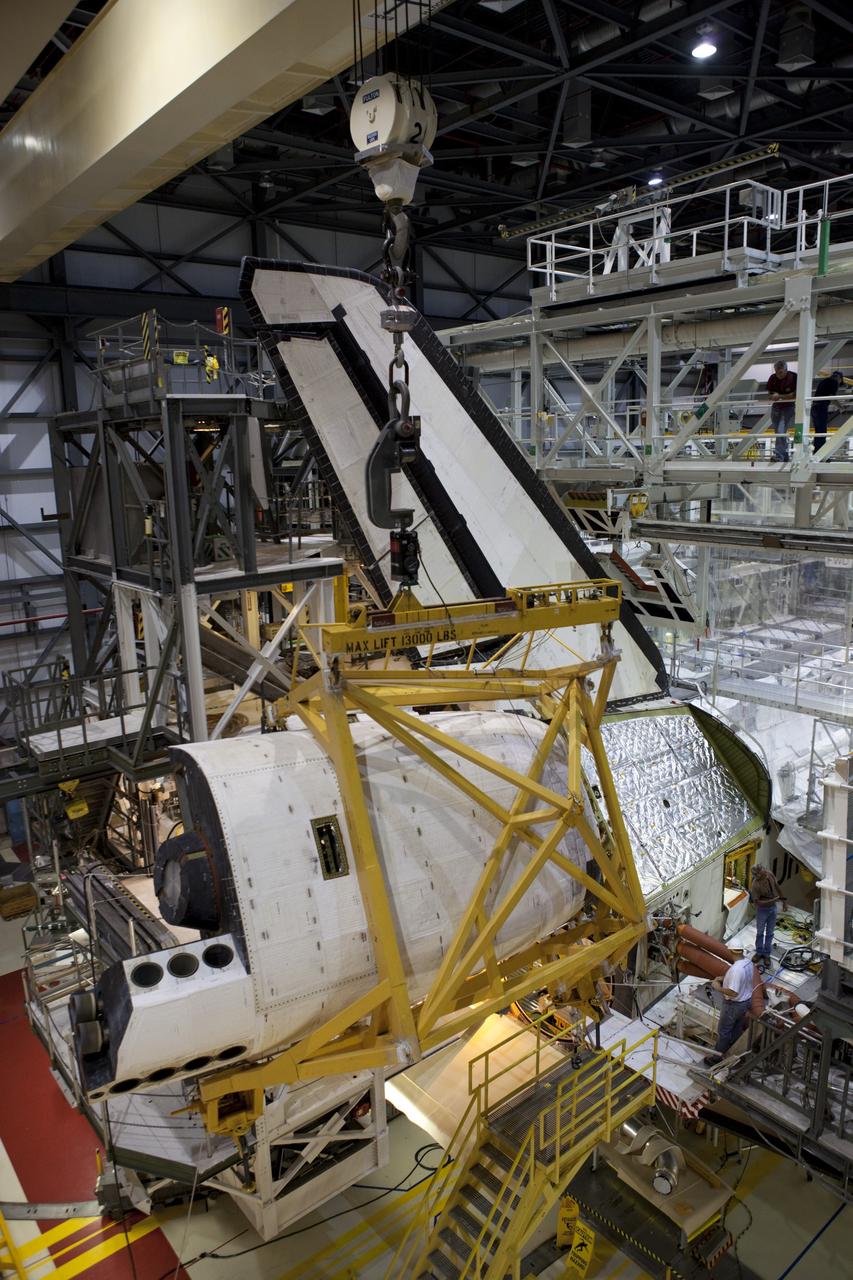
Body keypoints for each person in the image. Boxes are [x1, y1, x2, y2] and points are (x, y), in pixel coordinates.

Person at [703, 953, 762, 1065]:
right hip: (745, 1002)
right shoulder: (748, 963)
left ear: (732, 951)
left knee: (724, 1031)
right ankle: (734, 1049)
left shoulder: (736, 970)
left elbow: (733, 992)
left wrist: (718, 987)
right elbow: (742, 979)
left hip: (733, 1005)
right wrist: (725, 979)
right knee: (737, 1027)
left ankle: (717, 1057)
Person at [751, 864, 785, 965]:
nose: (765, 873)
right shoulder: (755, 885)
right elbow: (757, 902)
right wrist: (772, 900)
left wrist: (784, 901)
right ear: (758, 876)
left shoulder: (769, 874)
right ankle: (759, 952)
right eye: (762, 873)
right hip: (762, 910)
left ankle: (766, 954)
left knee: (770, 933)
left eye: (764, 870)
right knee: (760, 932)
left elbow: (777, 887)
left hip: (773, 909)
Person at [766, 360, 797, 461]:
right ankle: (785, 456)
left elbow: (794, 395)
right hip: (776, 407)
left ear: (786, 370)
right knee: (779, 432)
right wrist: (773, 397)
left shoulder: (793, 377)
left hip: (789, 407)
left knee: (780, 431)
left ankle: (779, 456)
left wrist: (779, 396)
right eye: (776, 372)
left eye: (780, 372)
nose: (778, 375)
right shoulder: (772, 378)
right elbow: (770, 394)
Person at [811, 369, 843, 454]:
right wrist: (840, 407)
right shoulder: (834, 382)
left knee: (818, 431)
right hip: (821, 408)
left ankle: (816, 451)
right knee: (822, 431)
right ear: (839, 378)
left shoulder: (824, 381)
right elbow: (832, 397)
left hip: (814, 407)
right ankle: (820, 453)